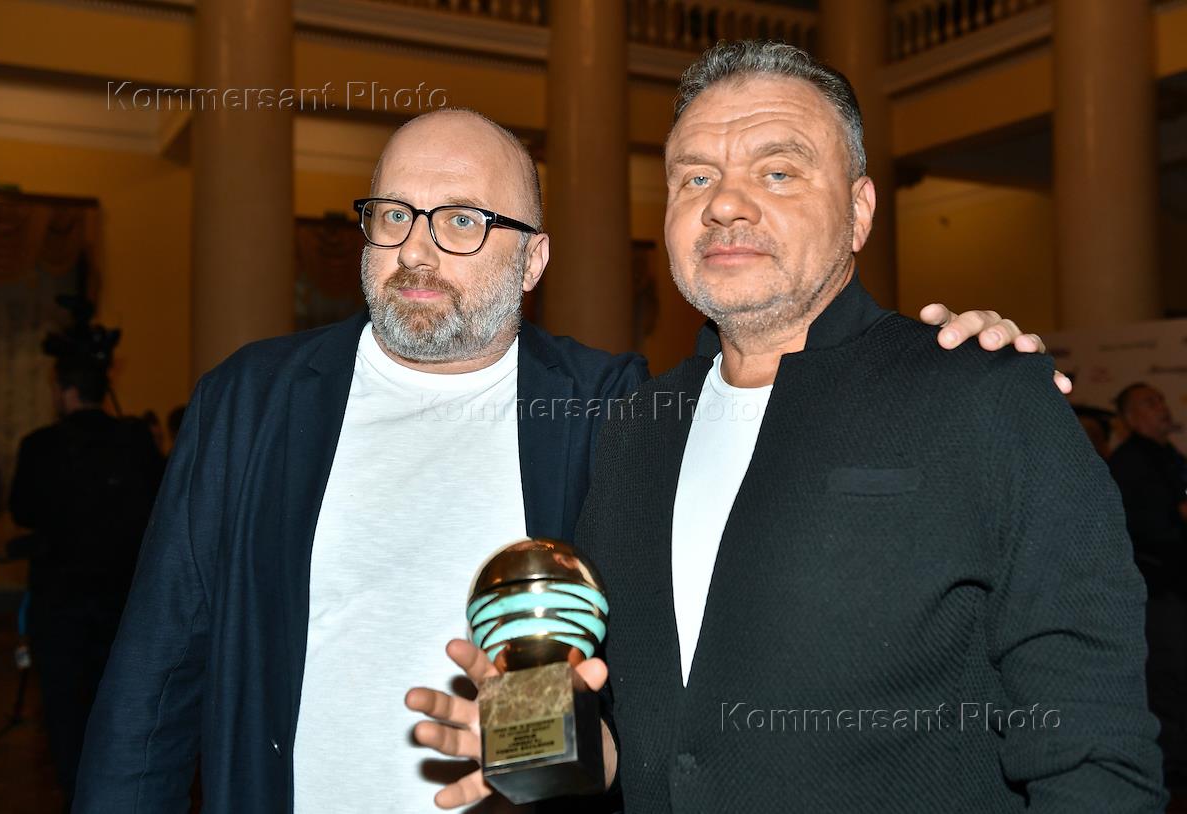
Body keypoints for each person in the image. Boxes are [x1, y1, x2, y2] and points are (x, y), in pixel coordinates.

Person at [76, 107, 1043, 813]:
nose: (417, 252)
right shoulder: (255, 401)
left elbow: (776, 386)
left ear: (532, 261)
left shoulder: (609, 407)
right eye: (394, 215)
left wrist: (935, 359)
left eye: (463, 221)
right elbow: (155, 674)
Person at [410, 44, 1164, 812]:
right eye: (695, 177)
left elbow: (1094, 754)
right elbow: (650, 727)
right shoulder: (636, 428)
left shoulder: (986, 396)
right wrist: (544, 744)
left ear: (859, 211)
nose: (724, 205)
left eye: (777, 172)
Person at [9, 355, 164, 809]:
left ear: (68, 392)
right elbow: (159, 502)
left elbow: (22, 510)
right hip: (124, 598)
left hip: (61, 599)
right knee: (123, 703)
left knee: (64, 709)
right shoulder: (134, 439)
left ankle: (75, 796)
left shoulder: (41, 445)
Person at [1110, 382, 1187, 792]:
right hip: (1157, 592)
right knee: (1168, 680)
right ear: (1129, 419)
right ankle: (1171, 773)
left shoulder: (1170, 457)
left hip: (1175, 588)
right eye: (1149, 402)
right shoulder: (1131, 464)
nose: (1161, 406)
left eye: (1160, 398)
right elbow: (1152, 530)